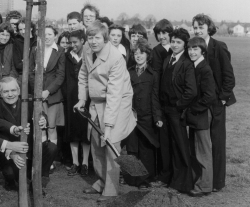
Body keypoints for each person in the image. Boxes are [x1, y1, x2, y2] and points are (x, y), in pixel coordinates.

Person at [74, 21, 136, 203]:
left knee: (110, 145)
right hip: (96, 101)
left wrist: (108, 126)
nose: (93, 41)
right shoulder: (87, 49)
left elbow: (114, 94)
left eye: (97, 38)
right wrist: (82, 99)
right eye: (90, 37)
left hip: (117, 102)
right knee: (95, 143)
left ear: (105, 38)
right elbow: (83, 74)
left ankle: (111, 190)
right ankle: (101, 182)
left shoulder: (116, 58)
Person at [192, 13, 236, 192]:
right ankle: (201, 178)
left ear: (208, 28)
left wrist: (223, 99)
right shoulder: (194, 47)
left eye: (201, 28)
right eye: (195, 28)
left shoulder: (219, 47)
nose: (197, 31)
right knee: (200, 142)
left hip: (217, 102)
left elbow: (229, 77)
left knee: (217, 141)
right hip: (201, 103)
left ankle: (218, 182)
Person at [0, 77, 57, 192]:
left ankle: (38, 179)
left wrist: (43, 120)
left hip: (30, 150)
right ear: (0, 93)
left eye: (13, 90)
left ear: (19, 91)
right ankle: (11, 181)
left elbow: (41, 114)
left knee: (51, 148)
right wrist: (12, 154)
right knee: (10, 174)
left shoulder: (29, 101)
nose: (10, 94)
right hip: (11, 154)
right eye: (6, 92)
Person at [151, 28, 196, 193]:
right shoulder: (167, 58)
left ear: (184, 44)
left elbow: (191, 91)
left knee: (180, 145)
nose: (175, 45)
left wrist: (178, 106)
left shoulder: (186, 63)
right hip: (164, 109)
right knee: (165, 145)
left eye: (179, 42)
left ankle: (183, 182)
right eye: (173, 41)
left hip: (176, 111)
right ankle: (165, 177)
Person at [126, 38, 162, 189]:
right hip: (131, 116)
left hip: (147, 117)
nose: (138, 56)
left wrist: (157, 117)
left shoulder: (153, 74)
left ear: (148, 55)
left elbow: (155, 97)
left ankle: (144, 180)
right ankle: (132, 179)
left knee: (146, 148)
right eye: (135, 53)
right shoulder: (128, 73)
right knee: (132, 148)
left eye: (142, 53)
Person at [186, 36, 216, 197]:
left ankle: (204, 186)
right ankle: (200, 182)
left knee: (203, 151)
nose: (191, 52)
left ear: (202, 50)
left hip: (202, 114)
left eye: (195, 49)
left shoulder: (204, 68)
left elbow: (210, 96)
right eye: (190, 49)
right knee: (197, 149)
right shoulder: (196, 65)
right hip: (197, 114)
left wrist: (193, 109)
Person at [29, 25, 65, 148]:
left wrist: (48, 91)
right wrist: (38, 90)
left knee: (51, 126)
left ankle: (51, 157)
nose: (47, 37)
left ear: (55, 36)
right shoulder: (35, 50)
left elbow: (60, 75)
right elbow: (30, 72)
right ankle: (41, 157)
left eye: (50, 34)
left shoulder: (60, 51)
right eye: (44, 34)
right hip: (38, 94)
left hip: (53, 95)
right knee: (40, 126)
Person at [62, 30, 90, 177]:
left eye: (75, 42)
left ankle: (85, 163)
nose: (73, 45)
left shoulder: (88, 55)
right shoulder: (66, 56)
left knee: (85, 131)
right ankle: (75, 162)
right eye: (70, 43)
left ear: (82, 41)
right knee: (72, 131)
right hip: (70, 99)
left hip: (85, 98)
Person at [13, 18, 37, 83]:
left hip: (36, 76)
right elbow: (18, 65)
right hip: (23, 76)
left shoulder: (37, 41)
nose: (23, 32)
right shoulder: (17, 42)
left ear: (31, 28)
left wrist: (25, 61)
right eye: (20, 29)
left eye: (25, 29)